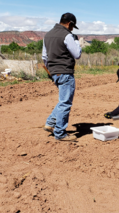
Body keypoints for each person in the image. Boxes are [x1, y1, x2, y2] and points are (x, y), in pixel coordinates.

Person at [42, 12, 82, 141]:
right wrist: (76, 41)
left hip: (54, 72)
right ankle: (60, 133)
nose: (71, 29)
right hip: (65, 71)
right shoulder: (67, 35)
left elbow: (44, 57)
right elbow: (77, 55)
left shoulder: (47, 35)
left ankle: (50, 123)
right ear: (70, 24)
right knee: (65, 103)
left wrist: (51, 71)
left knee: (63, 100)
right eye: (72, 27)